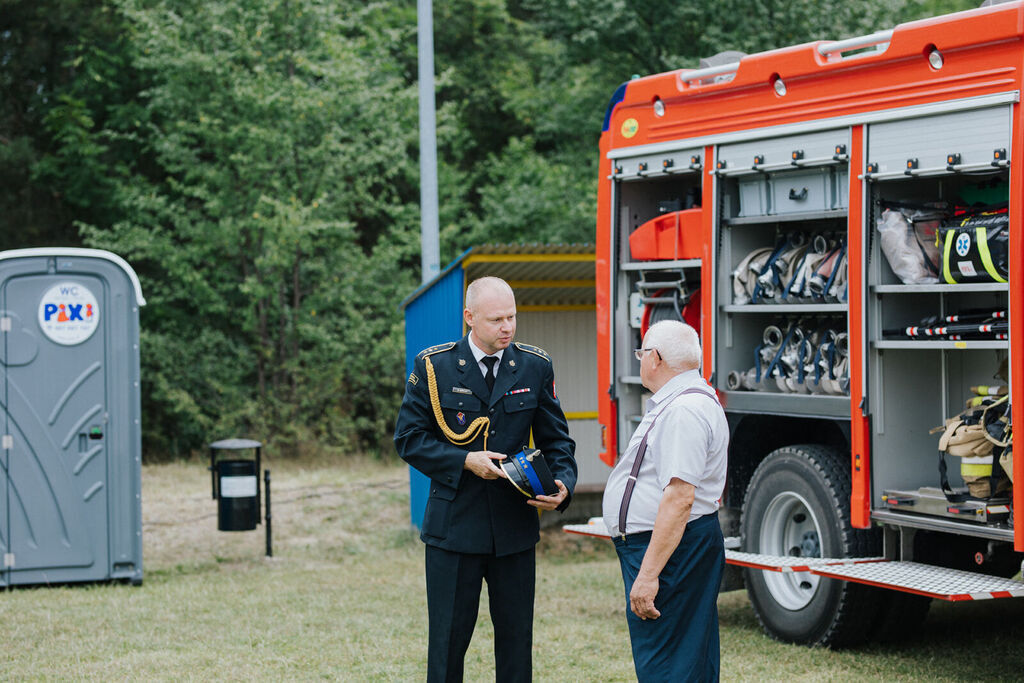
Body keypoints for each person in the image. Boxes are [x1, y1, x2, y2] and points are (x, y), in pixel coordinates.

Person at [394, 276, 577, 683]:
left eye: (512, 317)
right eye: (497, 319)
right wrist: (463, 460)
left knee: (516, 643)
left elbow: (557, 440)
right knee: (447, 641)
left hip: (513, 529)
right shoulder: (434, 366)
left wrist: (563, 484)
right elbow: (408, 440)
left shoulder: (533, 364)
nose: (508, 328)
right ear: (469, 317)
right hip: (454, 529)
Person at [601, 320, 728, 682]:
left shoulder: (683, 410)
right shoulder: (685, 401)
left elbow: (679, 498)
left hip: (671, 547)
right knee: (687, 656)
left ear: (654, 358)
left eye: (642, 353)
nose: (640, 360)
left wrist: (648, 576)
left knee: (666, 662)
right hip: (677, 543)